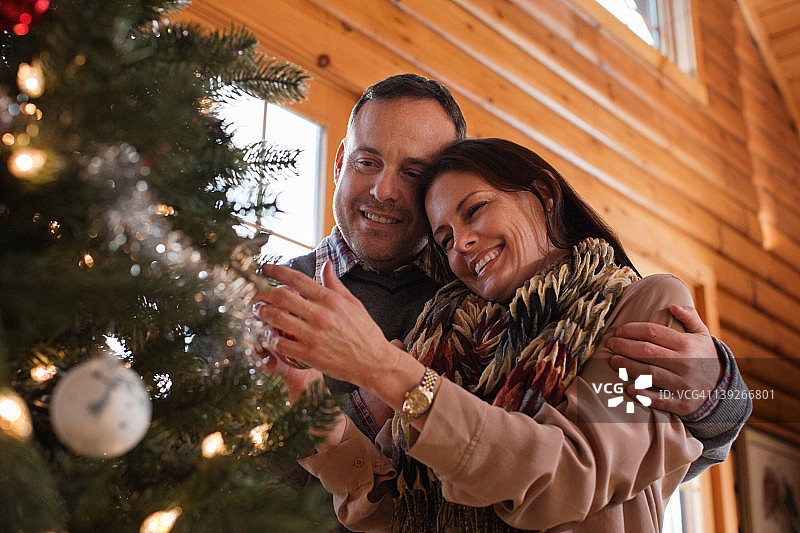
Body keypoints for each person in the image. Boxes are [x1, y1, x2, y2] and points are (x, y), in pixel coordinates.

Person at [273, 73, 749, 483]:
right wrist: (368, 404)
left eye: (415, 173)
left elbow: (639, 462)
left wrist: (716, 393)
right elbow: (224, 480)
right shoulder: (268, 294)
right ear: (340, 163)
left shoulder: (483, 303)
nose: (384, 190)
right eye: (367, 162)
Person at [254, 137, 707, 531]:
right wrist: (310, 408)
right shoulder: (442, 334)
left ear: (545, 194)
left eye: (476, 210)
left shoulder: (648, 305)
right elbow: (394, 513)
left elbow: (569, 475)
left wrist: (384, 368)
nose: (463, 244)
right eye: (446, 239)